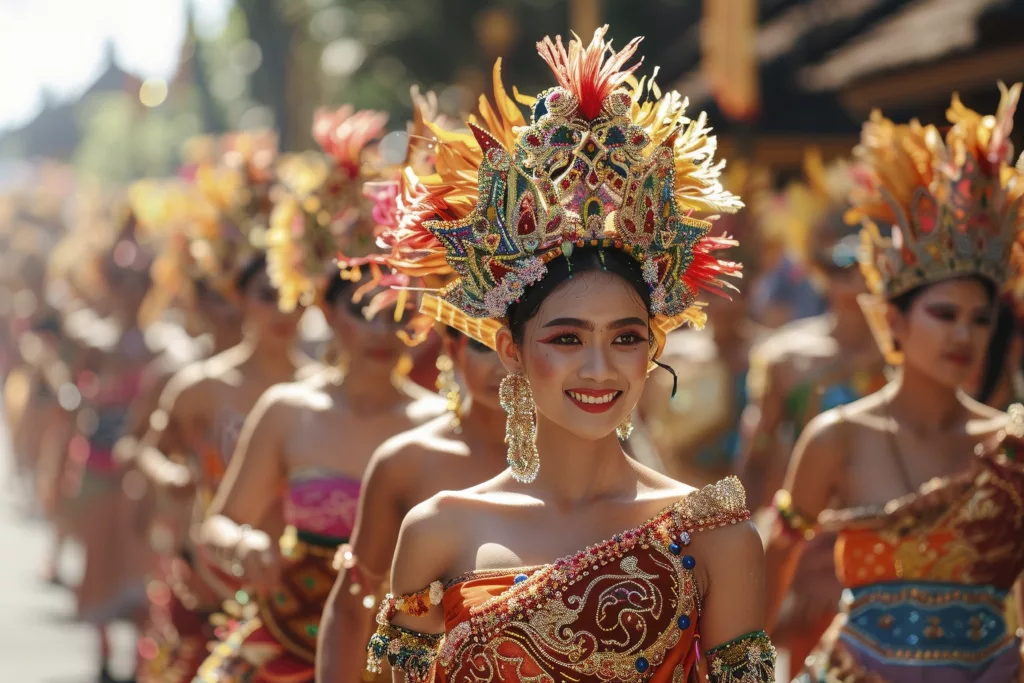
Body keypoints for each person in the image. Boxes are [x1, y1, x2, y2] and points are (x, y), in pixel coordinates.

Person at [367, 27, 776, 683]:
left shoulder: (714, 537)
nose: (598, 367)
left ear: (653, 348)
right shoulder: (437, 531)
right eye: (566, 338)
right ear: (511, 349)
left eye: (624, 337)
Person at [765, 83, 1024, 682]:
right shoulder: (838, 438)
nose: (963, 335)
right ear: (896, 321)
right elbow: (775, 560)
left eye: (979, 319)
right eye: (944, 314)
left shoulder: (1010, 449)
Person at [316, 78, 520, 678]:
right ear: (448, 348)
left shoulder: (603, 462)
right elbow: (353, 611)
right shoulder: (405, 465)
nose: (504, 366)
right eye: (482, 345)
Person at [132, 132, 313, 683]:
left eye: (293, 295)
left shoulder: (324, 390)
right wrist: (171, 476)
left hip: (294, 593)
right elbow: (147, 449)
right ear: (239, 298)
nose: (283, 310)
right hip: (207, 578)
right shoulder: (200, 386)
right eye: (268, 295)